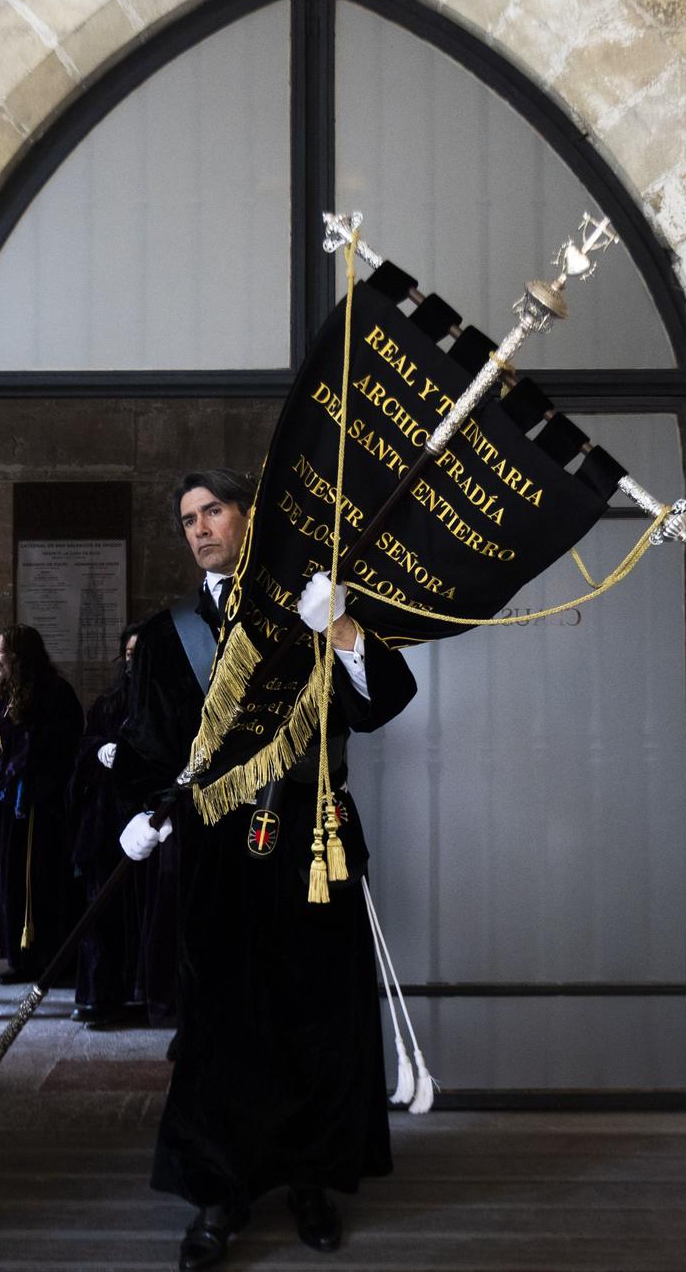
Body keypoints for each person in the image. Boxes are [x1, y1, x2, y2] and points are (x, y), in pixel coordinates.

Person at [111, 468, 417, 1269]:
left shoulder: (313, 608)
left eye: (214, 510)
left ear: (248, 517)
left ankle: (313, 1178)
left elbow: (385, 701)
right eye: (188, 520)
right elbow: (148, 746)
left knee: (319, 1019)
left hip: (312, 845)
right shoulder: (169, 632)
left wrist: (345, 629)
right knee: (221, 1027)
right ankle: (219, 1191)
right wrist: (137, 812)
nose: (201, 528)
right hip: (217, 858)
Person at [0, 623, 83, 985]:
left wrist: (4, 737)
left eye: (0, 650)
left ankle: (51, 959)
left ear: (18, 656)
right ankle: (21, 959)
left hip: (38, 807)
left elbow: (53, 744)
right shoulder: (2, 693)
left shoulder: (53, 692)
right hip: (6, 809)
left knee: (42, 881)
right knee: (7, 881)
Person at [70, 622, 144, 1026]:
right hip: (105, 821)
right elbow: (85, 747)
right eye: (128, 655)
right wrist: (100, 750)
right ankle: (100, 994)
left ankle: (140, 996)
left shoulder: (162, 703)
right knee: (102, 910)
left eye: (139, 655)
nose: (132, 663)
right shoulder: (107, 704)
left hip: (146, 819)